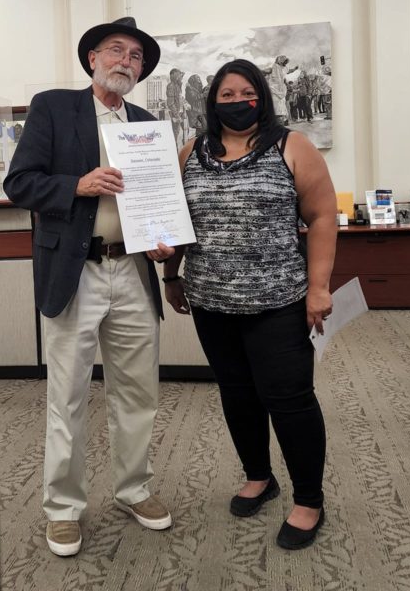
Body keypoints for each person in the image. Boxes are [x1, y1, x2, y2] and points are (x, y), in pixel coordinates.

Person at [3, 17, 172, 558]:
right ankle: (63, 509)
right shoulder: (54, 107)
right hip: (75, 273)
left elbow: (159, 203)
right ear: (92, 59)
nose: (127, 61)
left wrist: (166, 240)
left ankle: (133, 490)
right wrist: (76, 185)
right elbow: (19, 182)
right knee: (69, 395)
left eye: (136, 56)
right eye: (116, 51)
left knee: (138, 392)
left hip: (132, 271)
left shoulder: (147, 124)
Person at [157, 57, 337, 551]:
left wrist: (319, 288)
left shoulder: (291, 146)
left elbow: (323, 218)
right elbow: (175, 221)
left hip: (278, 301)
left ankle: (309, 499)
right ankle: (259, 476)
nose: (238, 102)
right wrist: (171, 275)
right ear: (212, 102)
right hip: (211, 301)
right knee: (236, 393)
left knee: (290, 399)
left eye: (247, 93)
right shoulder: (191, 151)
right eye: (227, 95)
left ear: (263, 95)